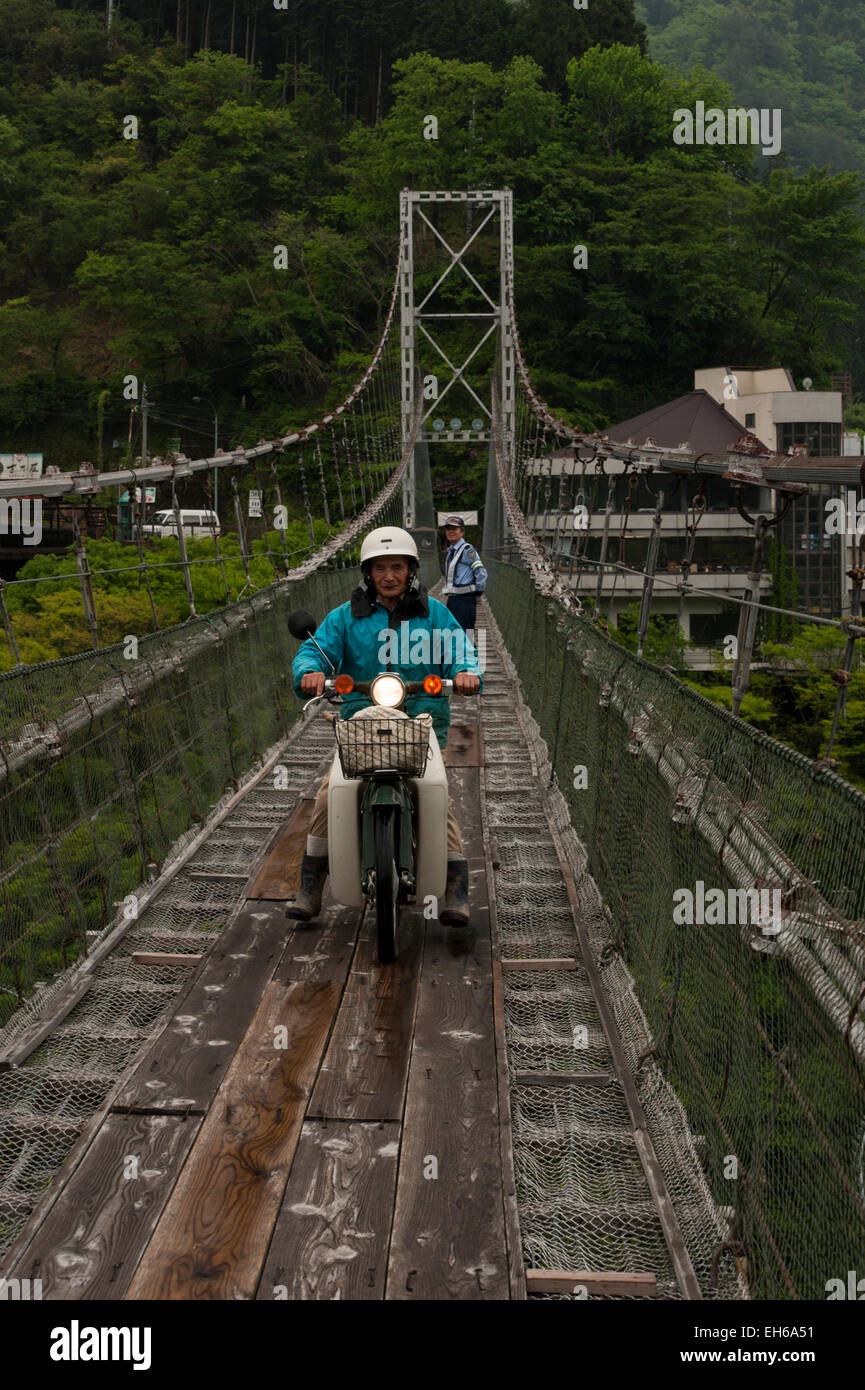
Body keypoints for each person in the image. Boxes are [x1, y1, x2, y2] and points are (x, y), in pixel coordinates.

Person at [287, 525, 482, 928]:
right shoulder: (346, 616)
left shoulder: (436, 613)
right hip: (361, 718)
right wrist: (309, 671)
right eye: (380, 568)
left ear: (411, 570)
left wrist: (465, 671)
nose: (389, 576)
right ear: (368, 573)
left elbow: (459, 647)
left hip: (420, 718)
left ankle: (456, 888)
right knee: (329, 794)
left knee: (436, 793)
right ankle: (311, 883)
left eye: (397, 567)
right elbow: (317, 649)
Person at [442, 515, 487, 632]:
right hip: (453, 600)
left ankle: (471, 651)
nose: (450, 531)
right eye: (448, 529)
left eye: (454, 529)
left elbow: (480, 571)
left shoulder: (468, 550)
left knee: (466, 636)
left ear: (462, 532)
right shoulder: (451, 551)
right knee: (453, 635)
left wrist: (477, 591)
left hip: (465, 601)